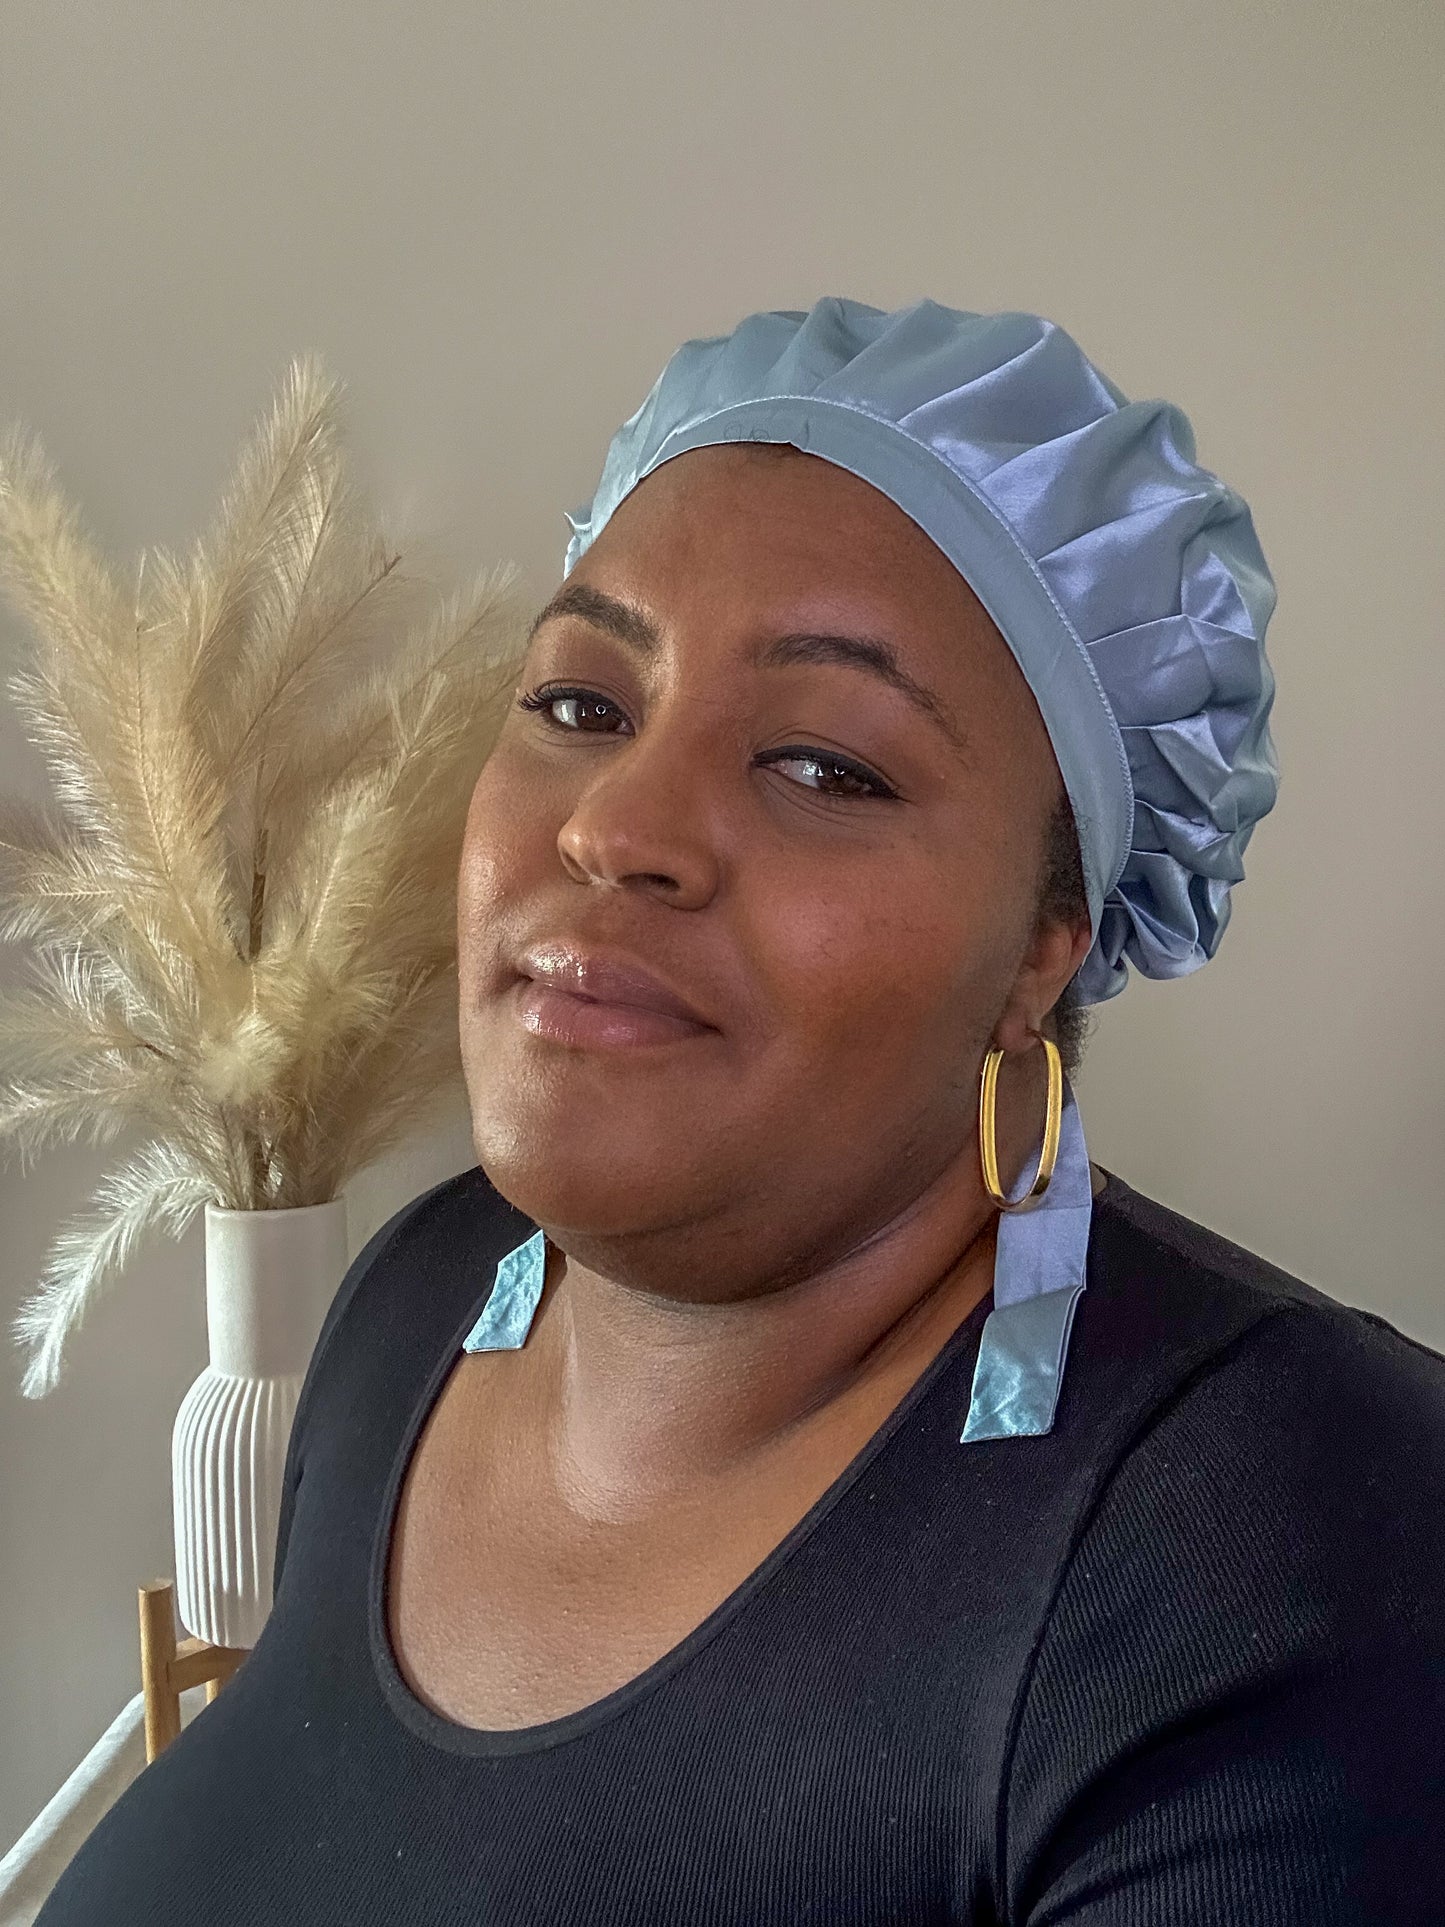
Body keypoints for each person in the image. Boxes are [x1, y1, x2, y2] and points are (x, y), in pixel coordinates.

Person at [36, 297, 1445, 1924]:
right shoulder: (419, 1297)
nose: (620, 824)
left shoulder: (1286, 1547)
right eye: (580, 705)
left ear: (1045, 945)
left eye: (825, 766)